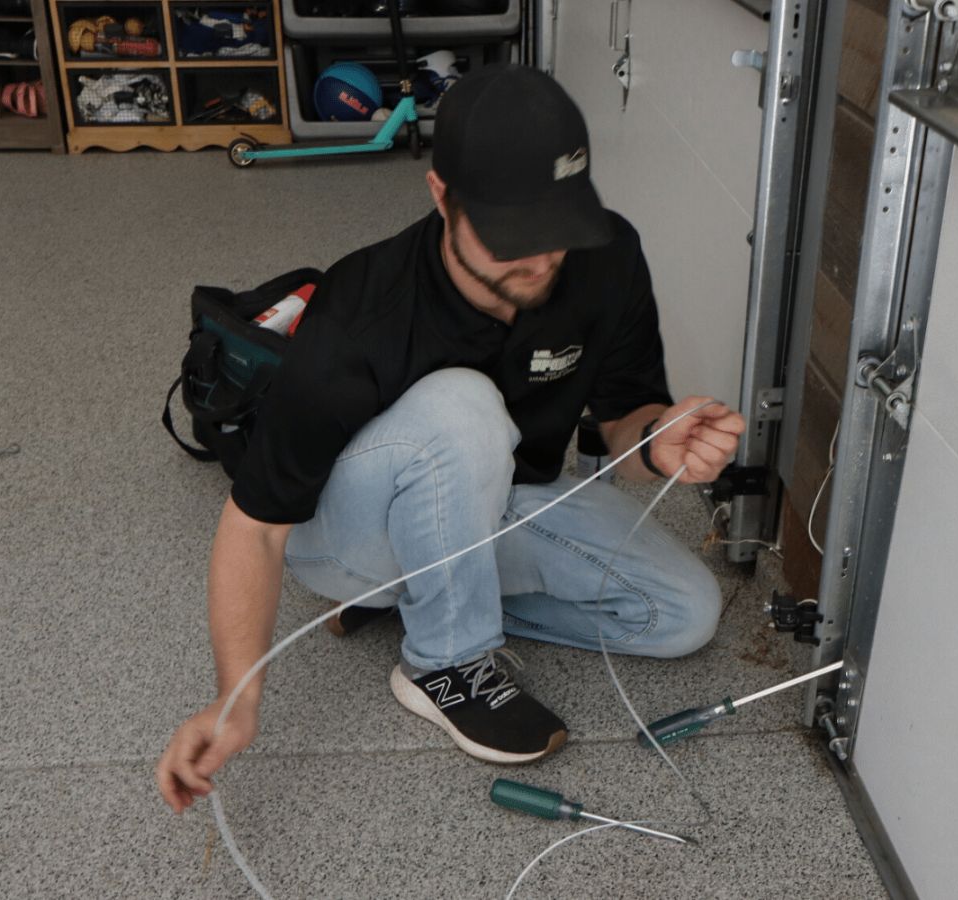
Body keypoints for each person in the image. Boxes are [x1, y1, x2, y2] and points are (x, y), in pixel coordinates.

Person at [156, 64, 745, 814]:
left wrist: (660, 437)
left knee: (680, 612)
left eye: (556, 231)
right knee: (463, 407)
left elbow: (625, 419)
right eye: (512, 237)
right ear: (441, 197)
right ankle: (446, 662)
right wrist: (234, 699)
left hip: (499, 496)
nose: (540, 261)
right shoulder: (360, 315)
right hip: (341, 536)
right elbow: (257, 527)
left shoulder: (608, 257)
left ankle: (424, 593)